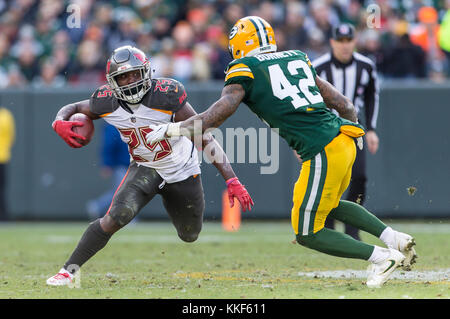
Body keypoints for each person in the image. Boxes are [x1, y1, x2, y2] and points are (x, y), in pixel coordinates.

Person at [146, 16, 417, 288]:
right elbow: (343, 103)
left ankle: (381, 257)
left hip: (321, 148)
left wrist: (172, 129)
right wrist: (355, 133)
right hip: (343, 139)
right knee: (328, 205)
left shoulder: (245, 67)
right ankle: (392, 238)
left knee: (307, 232)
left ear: (241, 43)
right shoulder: (296, 58)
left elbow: (214, 118)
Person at [47, 45, 254, 286]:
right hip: (145, 168)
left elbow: (204, 135)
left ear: (147, 72)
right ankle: (67, 271)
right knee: (116, 216)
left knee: (189, 234)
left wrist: (231, 178)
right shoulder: (106, 101)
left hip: (183, 172)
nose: (130, 81)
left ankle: (171, 199)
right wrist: (58, 121)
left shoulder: (166, 95)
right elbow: (74, 107)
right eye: (123, 77)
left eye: (135, 74)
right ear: (112, 82)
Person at [312, 23, 379, 241]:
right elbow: (310, 101)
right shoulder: (319, 67)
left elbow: (371, 97)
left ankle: (352, 226)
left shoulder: (366, 66)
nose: (344, 46)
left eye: (347, 41)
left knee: (359, 176)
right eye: (339, 41)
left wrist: (372, 129)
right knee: (329, 180)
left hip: (354, 130)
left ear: (354, 42)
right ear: (332, 42)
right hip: (327, 131)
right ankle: (327, 224)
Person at [85, 122, 129, 220]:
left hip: (132, 163)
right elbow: (108, 146)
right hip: (121, 164)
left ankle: (97, 205)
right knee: (124, 193)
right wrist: (106, 164)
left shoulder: (129, 121)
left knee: (123, 192)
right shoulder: (113, 124)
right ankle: (127, 218)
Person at [0, 107, 15, 222]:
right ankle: (3, 215)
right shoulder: (6, 115)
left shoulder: (6, 115)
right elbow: (11, 137)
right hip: (3, 156)